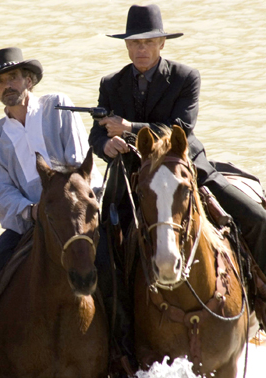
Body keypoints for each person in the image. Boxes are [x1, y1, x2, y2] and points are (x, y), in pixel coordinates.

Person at [89, 1, 266, 340]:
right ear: (126, 46)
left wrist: (128, 128)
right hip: (132, 176)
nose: (141, 48)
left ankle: (263, 304)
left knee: (257, 220)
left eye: (148, 42)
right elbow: (97, 132)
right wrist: (104, 145)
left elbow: (179, 129)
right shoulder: (110, 83)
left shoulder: (186, 77)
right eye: (135, 42)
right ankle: (114, 334)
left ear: (161, 44)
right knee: (101, 246)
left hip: (188, 169)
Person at [0, 47, 104, 377]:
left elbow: (81, 163)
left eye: (12, 77)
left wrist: (58, 201)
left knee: (112, 262)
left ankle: (127, 349)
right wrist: (30, 211)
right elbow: (0, 192)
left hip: (76, 219)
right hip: (29, 222)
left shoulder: (59, 106)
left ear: (29, 79)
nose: (6, 86)